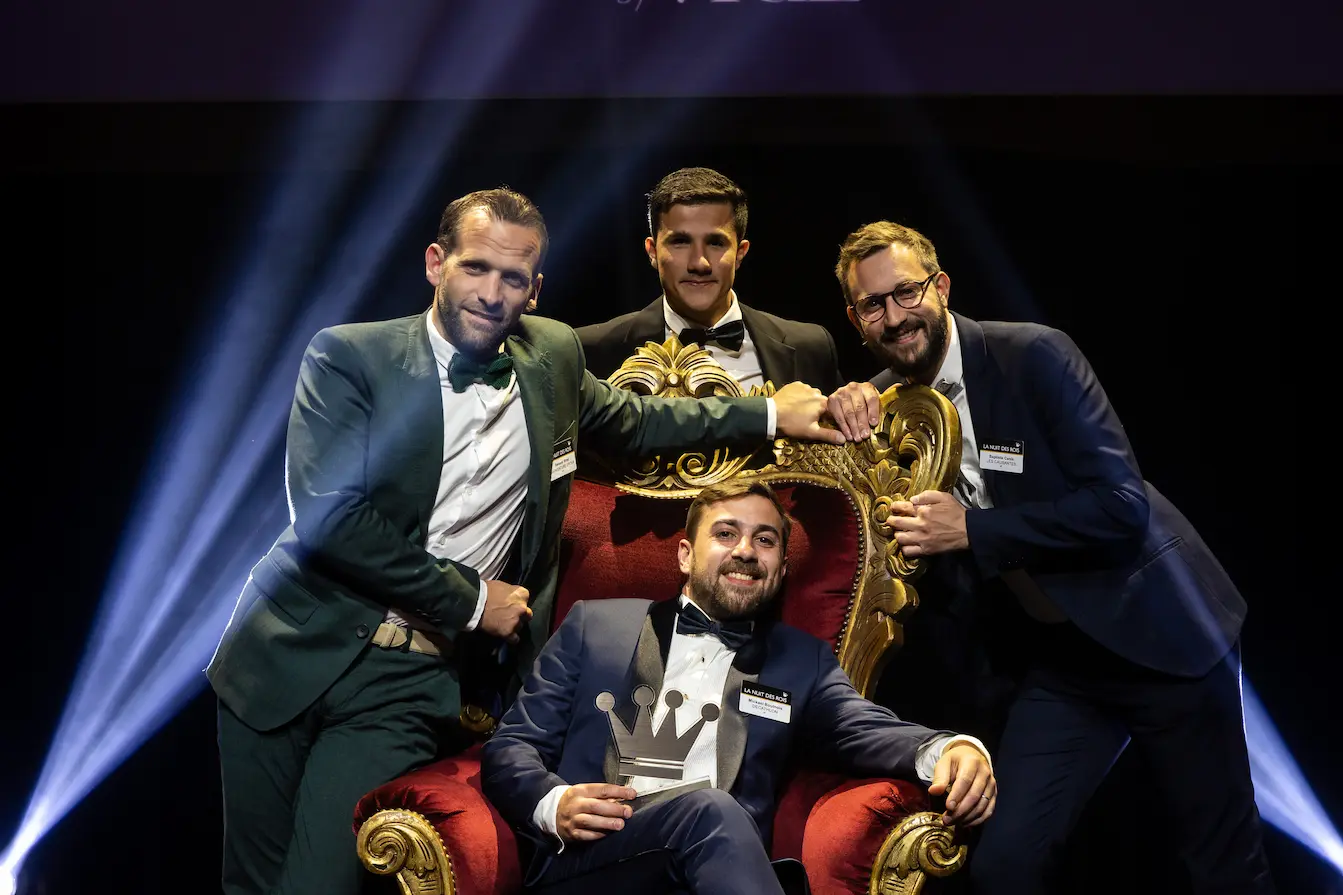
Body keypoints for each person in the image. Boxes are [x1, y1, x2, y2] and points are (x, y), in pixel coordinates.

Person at [205, 188, 848, 895]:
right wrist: (474, 597)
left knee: (317, 884)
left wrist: (765, 413)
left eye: (513, 278)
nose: (491, 293)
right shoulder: (350, 355)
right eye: (476, 268)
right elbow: (329, 518)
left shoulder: (551, 356)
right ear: (434, 262)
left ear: (535, 288)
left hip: (408, 679)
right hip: (286, 645)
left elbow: (637, 422)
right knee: (249, 883)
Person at [825, 220, 1274, 894]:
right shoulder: (889, 405)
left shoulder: (1032, 354)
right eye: (872, 306)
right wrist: (844, 404)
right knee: (1006, 864)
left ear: (939, 286)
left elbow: (1120, 504)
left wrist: (974, 530)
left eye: (905, 293)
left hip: (1163, 634)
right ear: (854, 319)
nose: (893, 317)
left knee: (1220, 866)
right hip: (1062, 665)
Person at [481, 478, 996, 895]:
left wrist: (950, 748)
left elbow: (865, 728)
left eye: (765, 540)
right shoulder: (595, 626)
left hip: (718, 871)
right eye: (726, 534)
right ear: (685, 555)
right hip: (592, 860)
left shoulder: (799, 662)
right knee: (709, 809)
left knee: (714, 815)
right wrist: (554, 802)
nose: (746, 551)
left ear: (782, 568)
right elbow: (512, 746)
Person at [575, 167, 843, 392]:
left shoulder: (809, 348)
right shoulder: (592, 352)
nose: (699, 263)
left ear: (740, 253)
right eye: (680, 242)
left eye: (716, 243)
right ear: (652, 252)